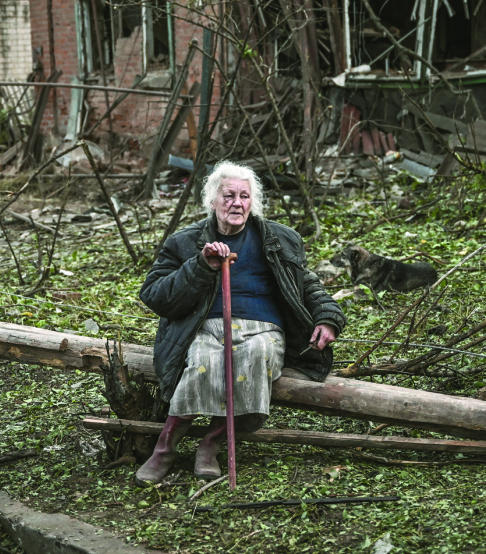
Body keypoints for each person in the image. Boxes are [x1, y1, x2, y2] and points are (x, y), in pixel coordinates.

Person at [136, 161, 346, 485]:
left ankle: (211, 443)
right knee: (204, 361)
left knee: (255, 356)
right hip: (205, 327)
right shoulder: (184, 241)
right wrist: (200, 266)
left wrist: (328, 317)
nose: (237, 203)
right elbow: (154, 294)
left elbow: (306, 284)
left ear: (252, 202)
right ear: (213, 201)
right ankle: (164, 449)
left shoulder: (278, 239)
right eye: (229, 196)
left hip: (264, 329)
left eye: (244, 196)